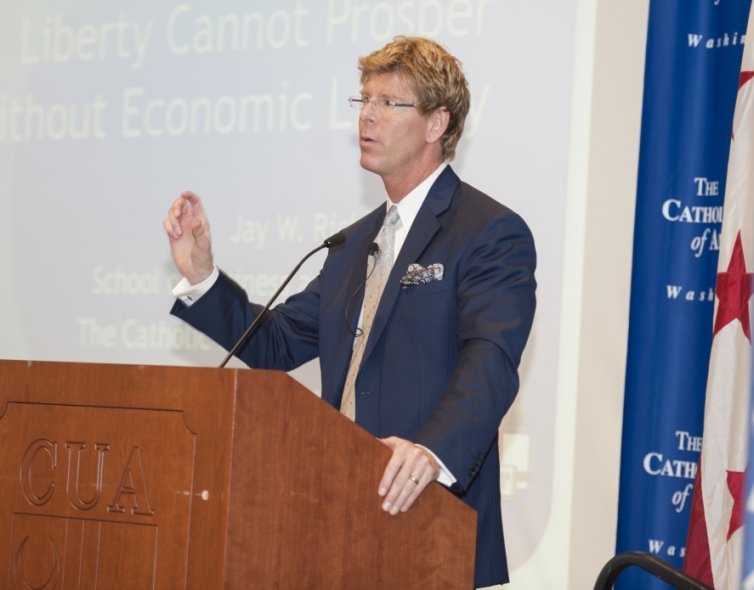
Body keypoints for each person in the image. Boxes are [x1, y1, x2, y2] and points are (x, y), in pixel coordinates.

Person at [163, 36, 536, 588]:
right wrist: (203, 277)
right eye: (364, 100)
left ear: (437, 123)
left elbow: (491, 359)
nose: (368, 116)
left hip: (432, 522)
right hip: (338, 523)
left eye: (389, 102)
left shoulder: (487, 231)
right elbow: (277, 343)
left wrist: (430, 452)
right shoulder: (353, 244)